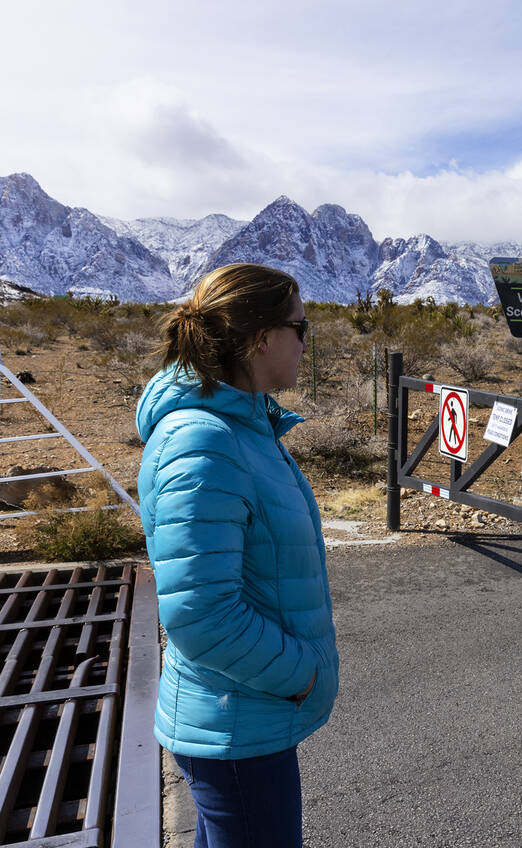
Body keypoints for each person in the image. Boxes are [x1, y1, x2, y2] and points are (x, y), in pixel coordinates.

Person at [136, 263, 338, 848]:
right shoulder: (205, 442)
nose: (306, 343)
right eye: (301, 329)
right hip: (237, 723)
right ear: (261, 338)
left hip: (245, 714)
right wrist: (301, 675)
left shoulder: (242, 427)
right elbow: (202, 616)